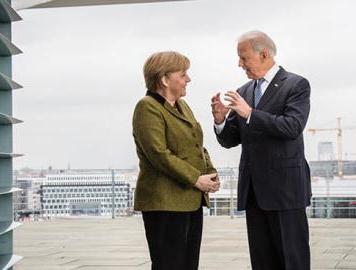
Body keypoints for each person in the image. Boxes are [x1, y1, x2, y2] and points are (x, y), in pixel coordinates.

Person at [211, 30, 312, 270]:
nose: (239, 63)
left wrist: (250, 114)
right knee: (262, 261)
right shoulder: (245, 91)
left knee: (292, 259)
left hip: (286, 191)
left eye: (243, 57)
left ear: (264, 54)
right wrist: (220, 121)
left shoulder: (296, 85)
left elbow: (293, 126)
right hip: (254, 191)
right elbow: (230, 140)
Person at [132, 51, 220, 270]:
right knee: (169, 264)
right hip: (164, 202)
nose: (188, 79)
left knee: (189, 264)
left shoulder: (182, 106)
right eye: (182, 74)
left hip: (190, 200)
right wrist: (196, 179)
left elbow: (197, 144)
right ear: (164, 79)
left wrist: (210, 172)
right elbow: (159, 154)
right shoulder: (147, 107)